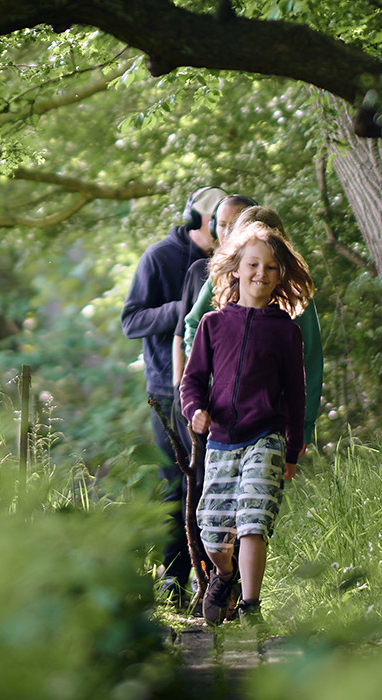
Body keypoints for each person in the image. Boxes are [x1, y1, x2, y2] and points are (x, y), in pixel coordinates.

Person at [178, 220, 315, 624]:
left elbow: (296, 395)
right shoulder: (213, 324)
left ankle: (252, 609)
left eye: (271, 267)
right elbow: (192, 381)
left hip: (265, 438)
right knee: (213, 533)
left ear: (280, 276)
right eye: (253, 265)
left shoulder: (285, 332)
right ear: (236, 268)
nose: (261, 274)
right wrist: (195, 411)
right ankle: (225, 575)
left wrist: (291, 449)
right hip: (220, 440)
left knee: (253, 520)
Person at [121, 185, 226, 607]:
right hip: (167, 389)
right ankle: (173, 582)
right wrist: (181, 309)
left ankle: (216, 584)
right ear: (201, 220)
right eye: (220, 221)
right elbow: (131, 320)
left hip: (216, 391)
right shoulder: (158, 257)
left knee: (211, 484)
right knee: (178, 486)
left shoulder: (230, 260)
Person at [180, 206, 324, 451]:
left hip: (269, 424)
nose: (261, 271)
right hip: (222, 421)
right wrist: (216, 377)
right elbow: (194, 326)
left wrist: (305, 427)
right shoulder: (222, 282)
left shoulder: (296, 297)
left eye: (270, 264)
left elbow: (309, 361)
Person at [171, 194, 256, 387]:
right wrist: (180, 386)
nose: (227, 232)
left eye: (234, 225)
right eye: (222, 225)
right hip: (206, 389)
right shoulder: (199, 271)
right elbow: (182, 332)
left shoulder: (264, 273)